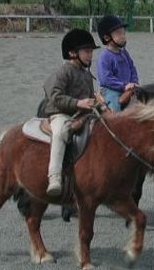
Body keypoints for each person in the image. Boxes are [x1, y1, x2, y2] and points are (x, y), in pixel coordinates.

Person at [43, 28, 99, 196]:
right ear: (72, 53)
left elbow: (89, 97)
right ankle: (54, 177)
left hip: (83, 115)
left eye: (91, 52)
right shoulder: (63, 71)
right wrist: (78, 103)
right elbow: (55, 96)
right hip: (61, 114)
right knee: (61, 132)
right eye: (87, 51)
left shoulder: (87, 75)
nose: (90, 55)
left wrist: (97, 103)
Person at [96, 15, 139, 112]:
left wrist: (134, 82)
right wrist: (123, 86)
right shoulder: (104, 56)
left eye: (123, 33)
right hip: (111, 90)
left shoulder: (124, 53)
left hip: (128, 87)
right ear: (107, 38)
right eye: (119, 34)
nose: (123, 36)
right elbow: (105, 79)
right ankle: (114, 122)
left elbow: (132, 68)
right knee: (114, 106)